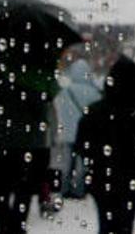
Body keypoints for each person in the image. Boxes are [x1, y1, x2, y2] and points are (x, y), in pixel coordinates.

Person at [75, 56, 135, 234]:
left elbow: (82, 145)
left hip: (101, 176)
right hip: (133, 178)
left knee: (106, 223)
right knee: (126, 223)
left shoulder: (94, 111)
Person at [0, 39, 58, 233]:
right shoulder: (41, 68)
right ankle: (17, 225)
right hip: (31, 140)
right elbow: (50, 96)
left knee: (0, 184)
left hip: (0, 137)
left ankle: (2, 224)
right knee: (24, 187)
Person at [52, 58, 102, 199]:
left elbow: (58, 109)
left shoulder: (65, 91)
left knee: (67, 163)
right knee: (82, 164)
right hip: (85, 134)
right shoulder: (93, 92)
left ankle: (64, 188)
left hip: (67, 133)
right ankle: (79, 190)